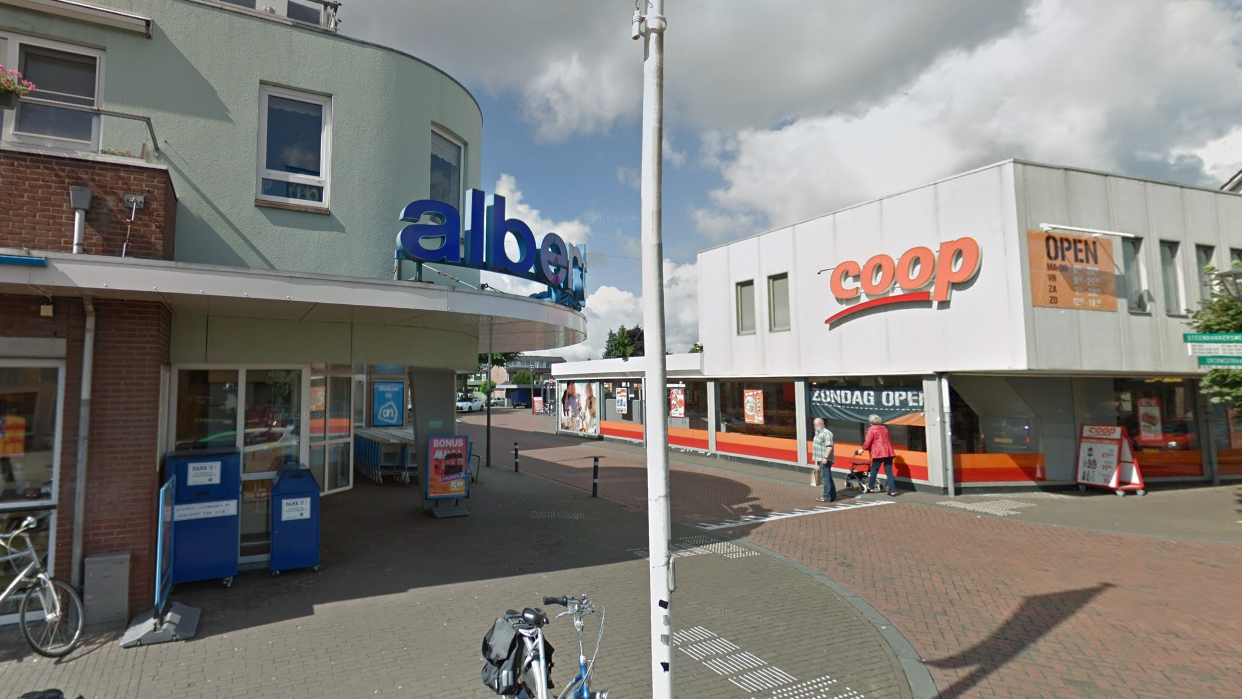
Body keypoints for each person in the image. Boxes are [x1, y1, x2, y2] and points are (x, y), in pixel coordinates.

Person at [858, 414, 898, 496]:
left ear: (871, 422)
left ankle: (871, 487)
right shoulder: (884, 429)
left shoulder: (871, 430)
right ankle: (893, 490)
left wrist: (862, 449)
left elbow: (868, 441)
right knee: (889, 471)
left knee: (874, 470)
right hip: (888, 452)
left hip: (878, 453)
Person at [811, 418, 837, 502]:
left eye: (817, 424)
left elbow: (829, 446)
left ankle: (827, 496)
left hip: (825, 459)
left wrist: (825, 457)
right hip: (820, 458)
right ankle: (832, 496)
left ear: (822, 424)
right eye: (815, 424)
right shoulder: (818, 432)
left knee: (826, 478)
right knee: (828, 477)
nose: (815, 426)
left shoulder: (827, 434)